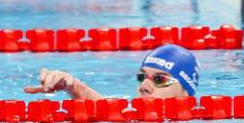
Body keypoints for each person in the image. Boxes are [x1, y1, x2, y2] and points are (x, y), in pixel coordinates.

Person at [23, 44, 200, 100]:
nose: (145, 86)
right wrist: (73, 86)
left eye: (160, 79)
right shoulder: (132, 119)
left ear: (186, 93)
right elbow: (103, 106)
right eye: (142, 77)